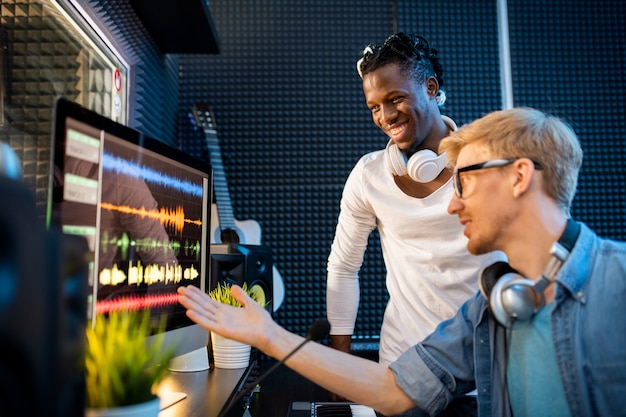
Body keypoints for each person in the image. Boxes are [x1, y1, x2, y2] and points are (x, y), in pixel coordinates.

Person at [179, 107, 626, 417]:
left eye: (464, 183)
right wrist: (270, 337)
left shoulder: (618, 283)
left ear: (519, 176)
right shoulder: (489, 311)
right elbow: (394, 391)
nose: (452, 205)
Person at [327, 32, 504, 373]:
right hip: (405, 365)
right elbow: (343, 267)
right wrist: (340, 362)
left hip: (486, 363)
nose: (385, 116)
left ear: (431, 89)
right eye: (374, 107)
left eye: (395, 98)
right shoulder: (369, 175)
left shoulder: (489, 160)